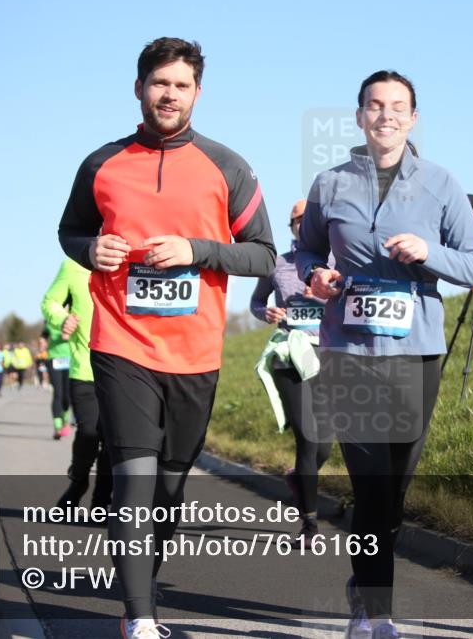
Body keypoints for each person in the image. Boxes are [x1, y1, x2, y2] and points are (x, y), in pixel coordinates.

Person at [58, 37, 275, 638]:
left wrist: (195, 250)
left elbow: (263, 255)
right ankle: (141, 619)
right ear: (139, 88)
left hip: (195, 352)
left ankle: (141, 590)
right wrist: (90, 249)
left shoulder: (227, 166)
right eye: (160, 83)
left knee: (168, 490)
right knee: (132, 479)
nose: (169, 94)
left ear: (197, 93)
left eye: (181, 85)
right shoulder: (101, 163)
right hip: (120, 342)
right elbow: (71, 230)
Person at [296, 70, 473, 639]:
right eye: (375, 106)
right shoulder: (330, 183)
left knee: (395, 492)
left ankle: (364, 584)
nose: (386, 115)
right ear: (359, 117)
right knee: (371, 486)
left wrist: (429, 252)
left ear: (413, 118)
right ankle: (374, 612)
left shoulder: (441, 183)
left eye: (398, 106)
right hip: (349, 350)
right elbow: (305, 252)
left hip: (416, 353)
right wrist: (317, 275)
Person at [251, 199, 331, 548]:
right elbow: (257, 302)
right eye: (296, 219)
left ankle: (299, 477)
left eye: (307, 218)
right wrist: (266, 312)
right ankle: (309, 525)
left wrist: (324, 297)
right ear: (293, 226)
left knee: (324, 446)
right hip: (289, 353)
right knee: (308, 437)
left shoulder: (337, 262)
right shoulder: (278, 264)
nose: (302, 223)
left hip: (327, 354)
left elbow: (351, 303)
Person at [42, 257, 113, 512]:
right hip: (84, 369)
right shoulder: (73, 265)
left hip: (122, 373)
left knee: (113, 439)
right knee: (89, 432)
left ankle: (102, 501)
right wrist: (62, 318)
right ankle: (78, 481)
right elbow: (49, 301)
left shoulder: (131, 262)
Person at [44, 320, 72, 439]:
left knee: (67, 395)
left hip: (70, 359)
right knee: (58, 393)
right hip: (54, 359)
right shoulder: (50, 321)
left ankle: (65, 419)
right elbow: (44, 335)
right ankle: (57, 426)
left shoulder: (73, 318)